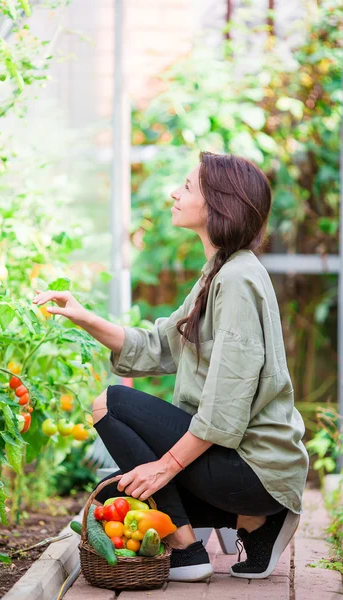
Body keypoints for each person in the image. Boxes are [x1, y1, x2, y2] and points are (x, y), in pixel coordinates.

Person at [32, 152, 309, 583]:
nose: (174, 193)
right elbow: (158, 346)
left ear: (220, 203)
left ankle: (187, 545)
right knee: (127, 482)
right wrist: (83, 315)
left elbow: (224, 409)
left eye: (187, 186)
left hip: (255, 470)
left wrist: (165, 467)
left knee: (112, 404)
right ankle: (254, 523)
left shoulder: (237, 281)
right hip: (239, 465)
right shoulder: (218, 272)